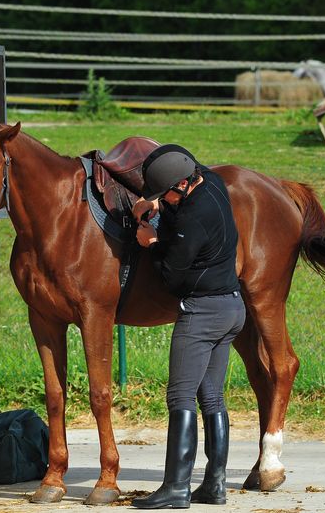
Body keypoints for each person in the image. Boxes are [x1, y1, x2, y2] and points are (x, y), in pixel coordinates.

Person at [130, 144, 245, 509]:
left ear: (181, 185)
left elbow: (172, 277)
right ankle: (215, 485)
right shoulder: (212, 182)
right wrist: (158, 205)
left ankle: (176, 488)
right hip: (232, 308)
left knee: (180, 397)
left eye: (166, 193)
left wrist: (150, 242)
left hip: (202, 314)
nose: (163, 199)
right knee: (212, 396)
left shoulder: (193, 222)